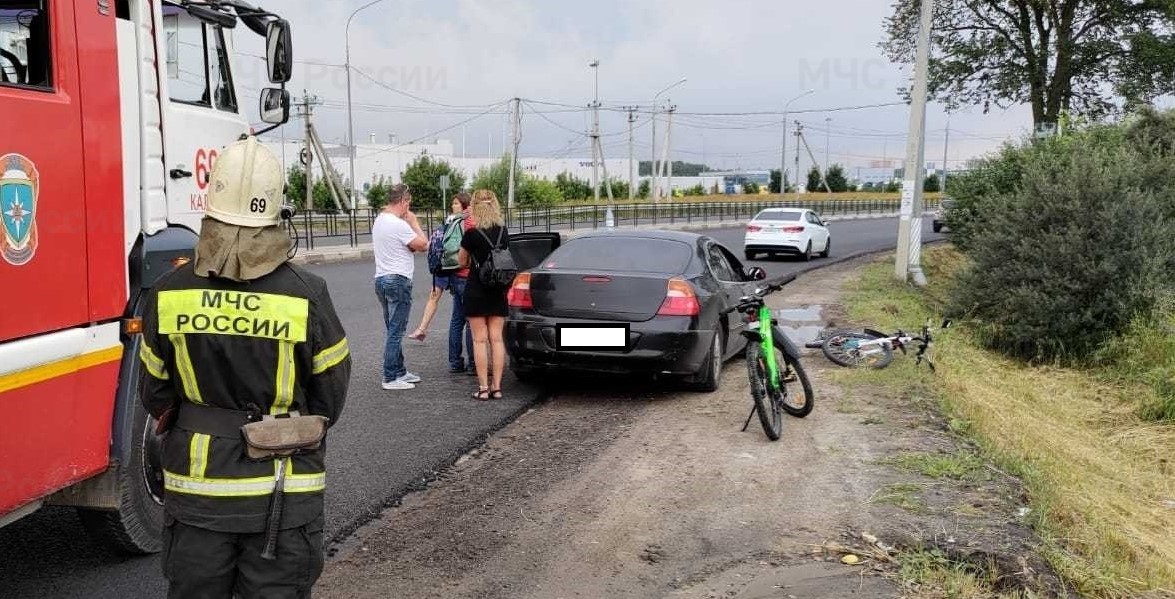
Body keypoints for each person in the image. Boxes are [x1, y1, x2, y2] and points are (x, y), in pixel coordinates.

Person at [137, 136, 352, 598]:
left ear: (211, 203)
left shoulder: (168, 290)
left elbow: (154, 393)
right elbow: (330, 397)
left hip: (197, 498)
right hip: (282, 496)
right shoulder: (306, 293)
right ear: (276, 210)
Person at [408, 192, 477, 375]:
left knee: (456, 320)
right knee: (471, 321)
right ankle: (473, 365)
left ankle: (455, 362)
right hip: (467, 273)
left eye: (456, 203)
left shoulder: (448, 222)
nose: (453, 206)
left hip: (451, 271)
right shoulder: (469, 221)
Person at [372, 183, 429, 390]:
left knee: (392, 328)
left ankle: (399, 370)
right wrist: (414, 222)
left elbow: (406, 246)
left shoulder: (379, 220)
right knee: (396, 330)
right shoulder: (399, 224)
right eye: (408, 203)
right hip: (398, 280)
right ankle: (390, 377)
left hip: (381, 279)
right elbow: (424, 244)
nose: (409, 208)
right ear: (403, 201)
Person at [458, 189, 511, 400]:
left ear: (475, 207)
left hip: (477, 288)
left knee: (479, 340)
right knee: (497, 340)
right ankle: (497, 387)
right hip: (498, 288)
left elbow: (462, 261)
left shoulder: (471, 234)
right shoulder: (503, 231)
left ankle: (482, 388)